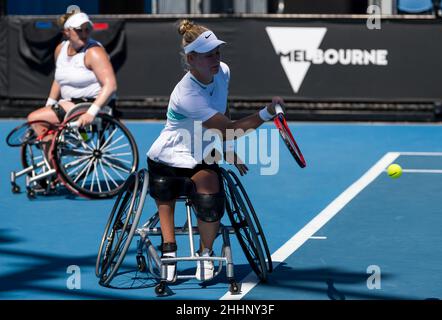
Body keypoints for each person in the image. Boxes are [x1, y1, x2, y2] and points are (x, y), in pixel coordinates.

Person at [147, 19, 284, 283]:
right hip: (167, 157)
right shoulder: (186, 94)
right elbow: (229, 127)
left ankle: (206, 252)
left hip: (200, 156)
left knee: (210, 197)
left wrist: (228, 149)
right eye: (209, 54)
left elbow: (223, 112)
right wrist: (266, 113)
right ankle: (168, 249)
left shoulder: (223, 72)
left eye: (217, 52)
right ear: (191, 59)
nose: (216, 58)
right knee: (165, 189)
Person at [27, 7, 117, 159]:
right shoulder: (60, 49)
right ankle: (54, 161)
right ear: (67, 32)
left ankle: (53, 165)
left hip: (89, 104)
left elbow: (110, 85)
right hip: (69, 104)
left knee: (35, 119)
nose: (84, 34)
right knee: (44, 119)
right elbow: (59, 79)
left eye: (87, 29)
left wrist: (91, 112)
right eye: (79, 30)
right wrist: (49, 103)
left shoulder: (94, 52)